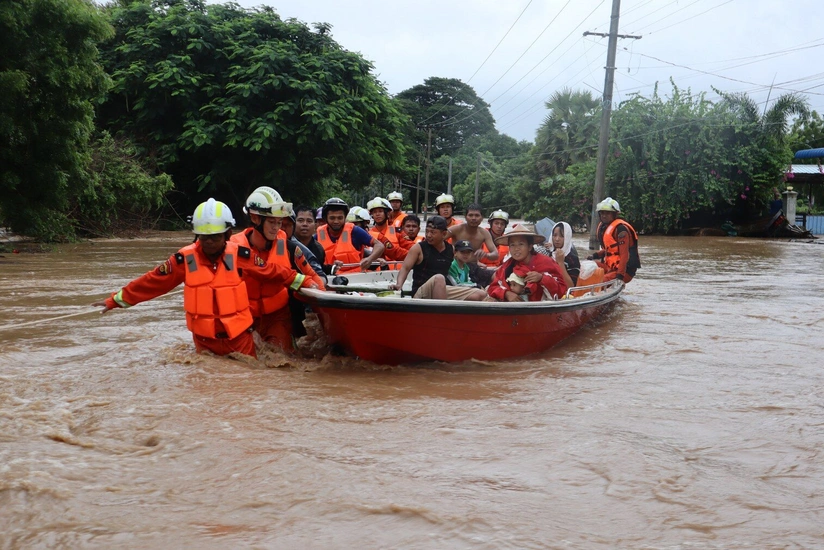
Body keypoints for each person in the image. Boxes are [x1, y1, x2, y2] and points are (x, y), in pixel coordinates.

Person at [92, 198, 316, 358]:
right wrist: (116, 300)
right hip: (204, 343)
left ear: (227, 234)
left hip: (239, 341)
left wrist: (302, 281)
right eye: (204, 237)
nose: (209, 242)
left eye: (215, 237)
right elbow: (152, 282)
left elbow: (272, 271)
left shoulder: (241, 255)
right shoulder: (183, 260)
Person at [229, 186, 315, 353]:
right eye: (271, 222)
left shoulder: (288, 246)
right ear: (255, 218)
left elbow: (311, 274)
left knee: (284, 358)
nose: (276, 228)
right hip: (244, 317)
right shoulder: (233, 248)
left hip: (277, 317)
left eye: (279, 222)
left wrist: (322, 294)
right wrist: (247, 328)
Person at [391, 216, 486, 301]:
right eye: (427, 231)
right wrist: (399, 284)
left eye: (432, 232)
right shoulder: (418, 248)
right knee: (439, 278)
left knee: (480, 294)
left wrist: (477, 263)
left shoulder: (451, 249)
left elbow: (462, 261)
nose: (428, 235)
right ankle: (441, 314)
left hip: (442, 289)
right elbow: (405, 268)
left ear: (444, 234)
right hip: (421, 291)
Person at [486, 226, 568, 302]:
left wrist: (542, 278)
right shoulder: (507, 266)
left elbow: (562, 290)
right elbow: (493, 287)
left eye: (521, 244)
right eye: (512, 245)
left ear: (529, 247)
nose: (516, 249)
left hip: (540, 307)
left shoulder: (546, 262)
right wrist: (506, 293)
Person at [316, 197, 384, 274]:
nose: (336, 221)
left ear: (345, 218)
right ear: (326, 218)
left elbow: (379, 245)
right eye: (332, 218)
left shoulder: (355, 231)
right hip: (328, 278)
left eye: (340, 218)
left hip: (354, 278)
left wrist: (370, 259)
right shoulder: (318, 236)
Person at [588, 197, 640, 284]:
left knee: (599, 282)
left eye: (608, 213)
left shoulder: (621, 230)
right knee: (587, 268)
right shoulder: (604, 227)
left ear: (615, 214)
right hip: (610, 266)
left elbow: (624, 255)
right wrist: (595, 255)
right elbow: (611, 249)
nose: (604, 215)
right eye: (602, 213)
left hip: (624, 271)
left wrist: (619, 276)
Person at [366, 197, 404, 264]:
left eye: (380, 211)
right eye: (374, 212)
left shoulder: (397, 232)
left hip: (394, 268)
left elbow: (409, 249)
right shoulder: (367, 234)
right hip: (373, 268)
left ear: (388, 214)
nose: (377, 214)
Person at [548, 221, 580, 288]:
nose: (557, 239)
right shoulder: (548, 254)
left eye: (561, 236)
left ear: (567, 237)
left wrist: (560, 263)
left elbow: (570, 286)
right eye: (555, 235)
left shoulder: (573, 259)